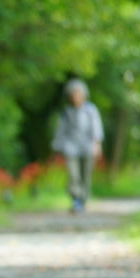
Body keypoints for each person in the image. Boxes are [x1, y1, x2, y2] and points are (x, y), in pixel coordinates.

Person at [51, 78, 104, 214]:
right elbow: (60, 131)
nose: (75, 97)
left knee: (85, 175)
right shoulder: (66, 112)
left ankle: (83, 199)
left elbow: (96, 129)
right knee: (73, 175)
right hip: (71, 147)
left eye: (78, 94)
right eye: (73, 94)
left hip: (87, 147)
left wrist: (97, 146)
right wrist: (56, 147)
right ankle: (76, 200)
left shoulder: (90, 110)